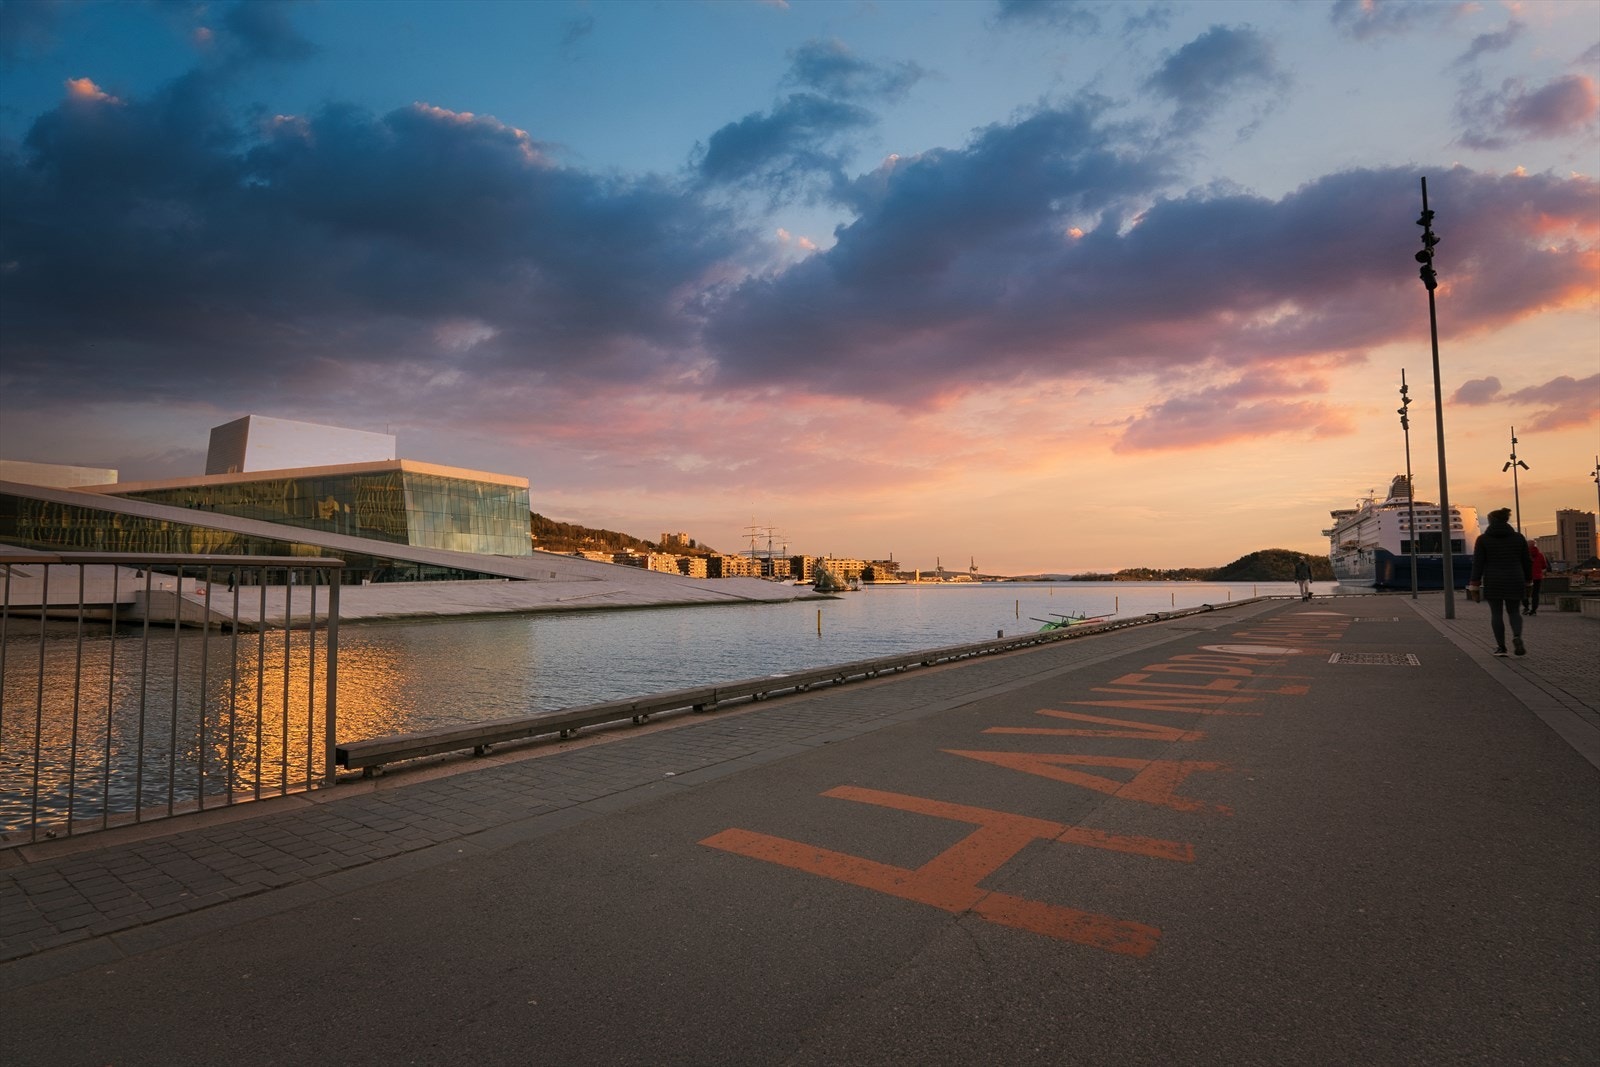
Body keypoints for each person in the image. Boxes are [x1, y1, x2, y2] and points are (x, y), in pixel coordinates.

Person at [1468, 507, 1532, 657]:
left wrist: (1474, 584)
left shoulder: (1483, 539)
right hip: (1515, 578)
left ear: (1491, 521)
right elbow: (1527, 561)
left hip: (1493, 579)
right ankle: (1517, 636)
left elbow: (1478, 564)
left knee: (1496, 613)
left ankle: (1501, 647)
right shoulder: (1518, 538)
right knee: (1514, 612)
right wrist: (1529, 581)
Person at [1524, 542, 1547, 615]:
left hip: (1526, 577)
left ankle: (1526, 608)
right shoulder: (1540, 555)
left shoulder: (1524, 555)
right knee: (1535, 594)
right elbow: (1544, 566)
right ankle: (1533, 610)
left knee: (1524, 593)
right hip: (1537, 577)